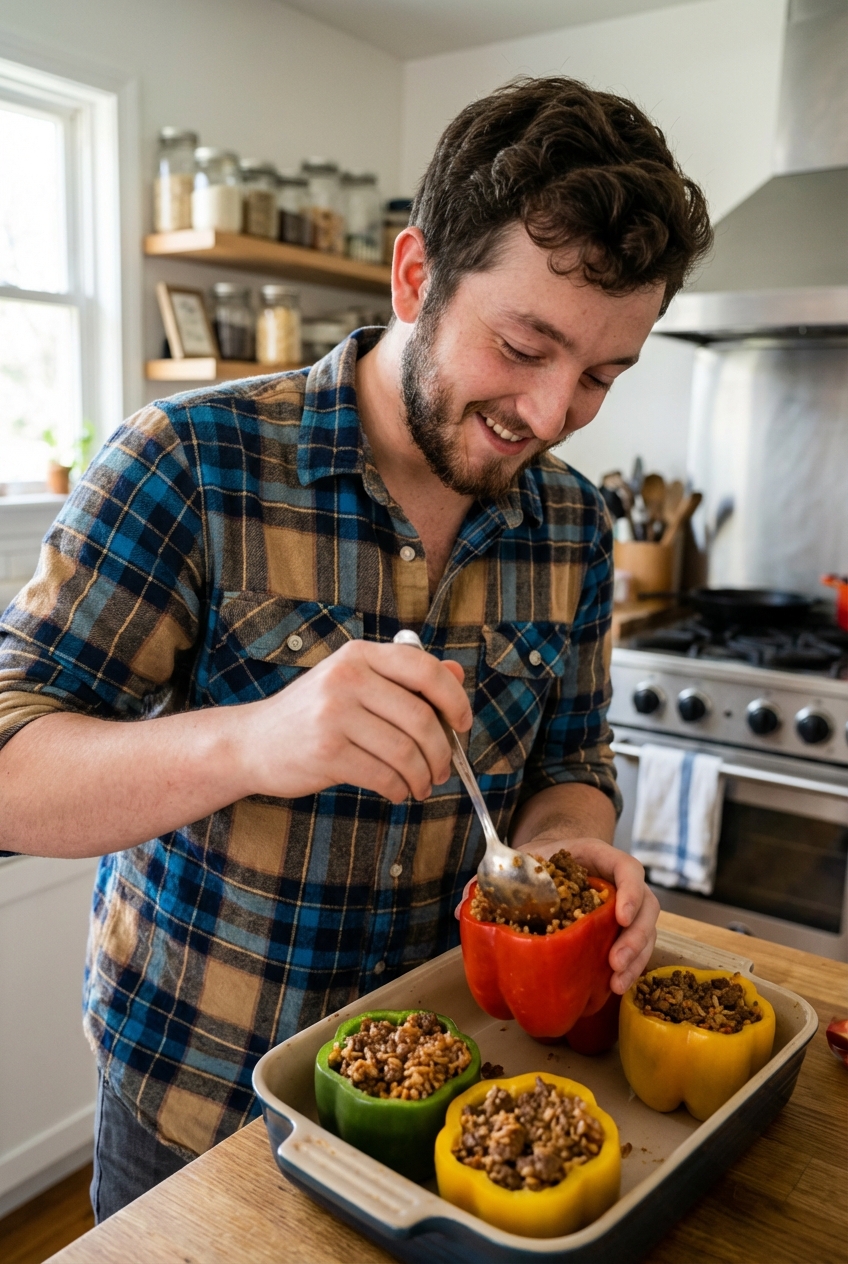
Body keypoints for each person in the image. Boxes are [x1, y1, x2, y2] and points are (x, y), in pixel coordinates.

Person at [0, 76, 711, 1220]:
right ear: (415, 276)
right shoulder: (188, 462)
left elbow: (568, 766)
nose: (548, 412)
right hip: (194, 1103)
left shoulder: (573, 524)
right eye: (524, 345)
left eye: (599, 376)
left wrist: (574, 858)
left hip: (454, 1104)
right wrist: (254, 740)